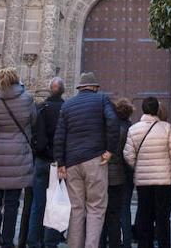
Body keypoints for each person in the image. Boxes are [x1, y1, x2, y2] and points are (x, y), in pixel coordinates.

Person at [54, 71, 120, 248]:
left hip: (73, 163)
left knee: (76, 209)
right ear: (95, 87)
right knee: (96, 208)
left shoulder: (67, 105)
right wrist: (110, 150)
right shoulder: (101, 100)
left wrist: (61, 162)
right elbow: (113, 122)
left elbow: (59, 135)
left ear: (80, 88)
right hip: (94, 160)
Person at [0, 68, 37, 248]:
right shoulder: (27, 98)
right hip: (18, 154)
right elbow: (34, 120)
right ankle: (7, 242)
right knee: (12, 202)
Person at [125, 96, 171, 248]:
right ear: (157, 109)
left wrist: (139, 169)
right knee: (163, 218)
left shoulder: (133, 129)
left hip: (144, 182)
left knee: (145, 217)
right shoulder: (167, 128)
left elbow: (128, 155)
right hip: (165, 181)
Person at [29, 78, 67, 248]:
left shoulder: (40, 108)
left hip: (41, 159)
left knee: (38, 203)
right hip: (58, 161)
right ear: (63, 91)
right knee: (55, 202)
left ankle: (33, 239)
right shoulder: (66, 109)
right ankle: (50, 241)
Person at [104, 98, 135, 248]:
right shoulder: (132, 129)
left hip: (109, 174)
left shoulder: (110, 128)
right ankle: (127, 241)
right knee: (124, 209)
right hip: (126, 175)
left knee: (108, 210)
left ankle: (106, 240)